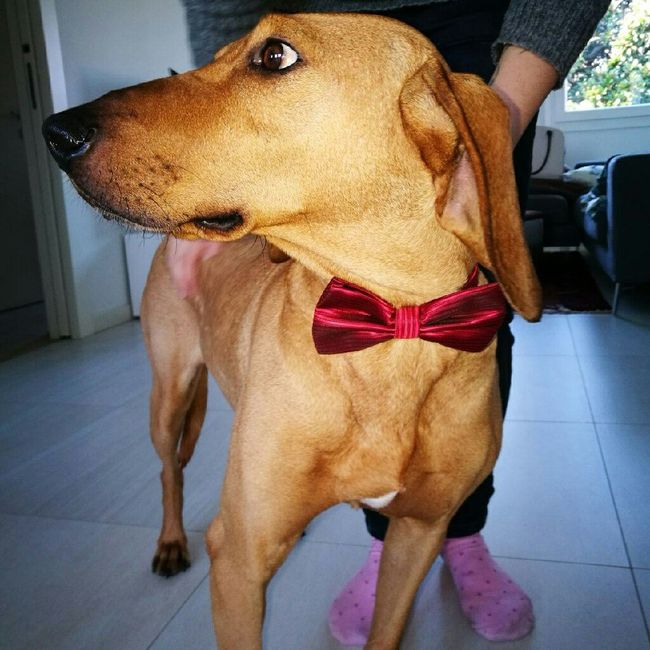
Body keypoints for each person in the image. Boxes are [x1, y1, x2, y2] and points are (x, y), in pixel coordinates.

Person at [171, 0, 610, 643]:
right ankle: (375, 538)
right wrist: (207, 159)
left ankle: (454, 526)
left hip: (483, 41)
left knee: (472, 294)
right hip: (315, 32)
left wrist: (501, 117)